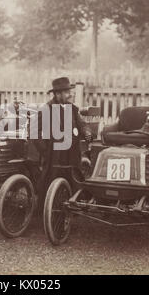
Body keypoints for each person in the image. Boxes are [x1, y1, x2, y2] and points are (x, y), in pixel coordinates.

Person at [34, 77, 92, 209]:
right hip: (54, 155)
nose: (69, 95)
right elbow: (34, 132)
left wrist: (87, 132)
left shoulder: (72, 109)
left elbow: (82, 124)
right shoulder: (46, 109)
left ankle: (70, 208)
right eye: (66, 92)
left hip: (71, 153)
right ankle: (47, 211)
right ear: (57, 94)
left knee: (73, 179)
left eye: (69, 92)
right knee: (50, 182)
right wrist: (45, 150)